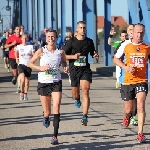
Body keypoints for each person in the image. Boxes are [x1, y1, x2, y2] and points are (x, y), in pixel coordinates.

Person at [28, 29, 68, 145]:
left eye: (53, 36)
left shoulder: (61, 52)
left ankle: (55, 136)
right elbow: (30, 63)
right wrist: (41, 68)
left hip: (56, 82)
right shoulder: (41, 51)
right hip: (44, 83)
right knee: (47, 112)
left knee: (56, 108)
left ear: (56, 38)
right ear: (46, 38)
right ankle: (45, 117)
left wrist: (65, 67)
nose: (51, 38)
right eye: (49, 36)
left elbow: (64, 62)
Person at [113, 23, 150, 143]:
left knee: (140, 105)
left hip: (141, 81)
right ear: (132, 33)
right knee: (128, 109)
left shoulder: (147, 46)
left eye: (141, 33)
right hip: (128, 81)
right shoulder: (126, 45)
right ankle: (127, 116)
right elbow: (115, 58)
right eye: (137, 32)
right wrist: (125, 67)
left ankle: (140, 133)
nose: (139, 35)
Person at [63, 21, 99, 126]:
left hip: (85, 70)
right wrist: (73, 57)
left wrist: (95, 55)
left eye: (84, 28)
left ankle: (85, 116)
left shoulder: (89, 42)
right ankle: (77, 99)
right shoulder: (71, 42)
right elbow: (63, 55)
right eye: (81, 28)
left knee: (85, 91)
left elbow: (93, 52)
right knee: (75, 93)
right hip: (74, 69)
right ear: (77, 30)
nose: (83, 30)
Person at [15, 34, 34, 100]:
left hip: (28, 65)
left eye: (26, 38)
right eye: (23, 38)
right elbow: (16, 52)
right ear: (21, 39)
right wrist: (16, 58)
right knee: (22, 79)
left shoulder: (31, 46)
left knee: (27, 82)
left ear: (27, 39)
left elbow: (34, 55)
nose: (24, 40)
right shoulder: (19, 46)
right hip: (21, 65)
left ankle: (25, 94)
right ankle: (21, 92)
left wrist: (31, 55)